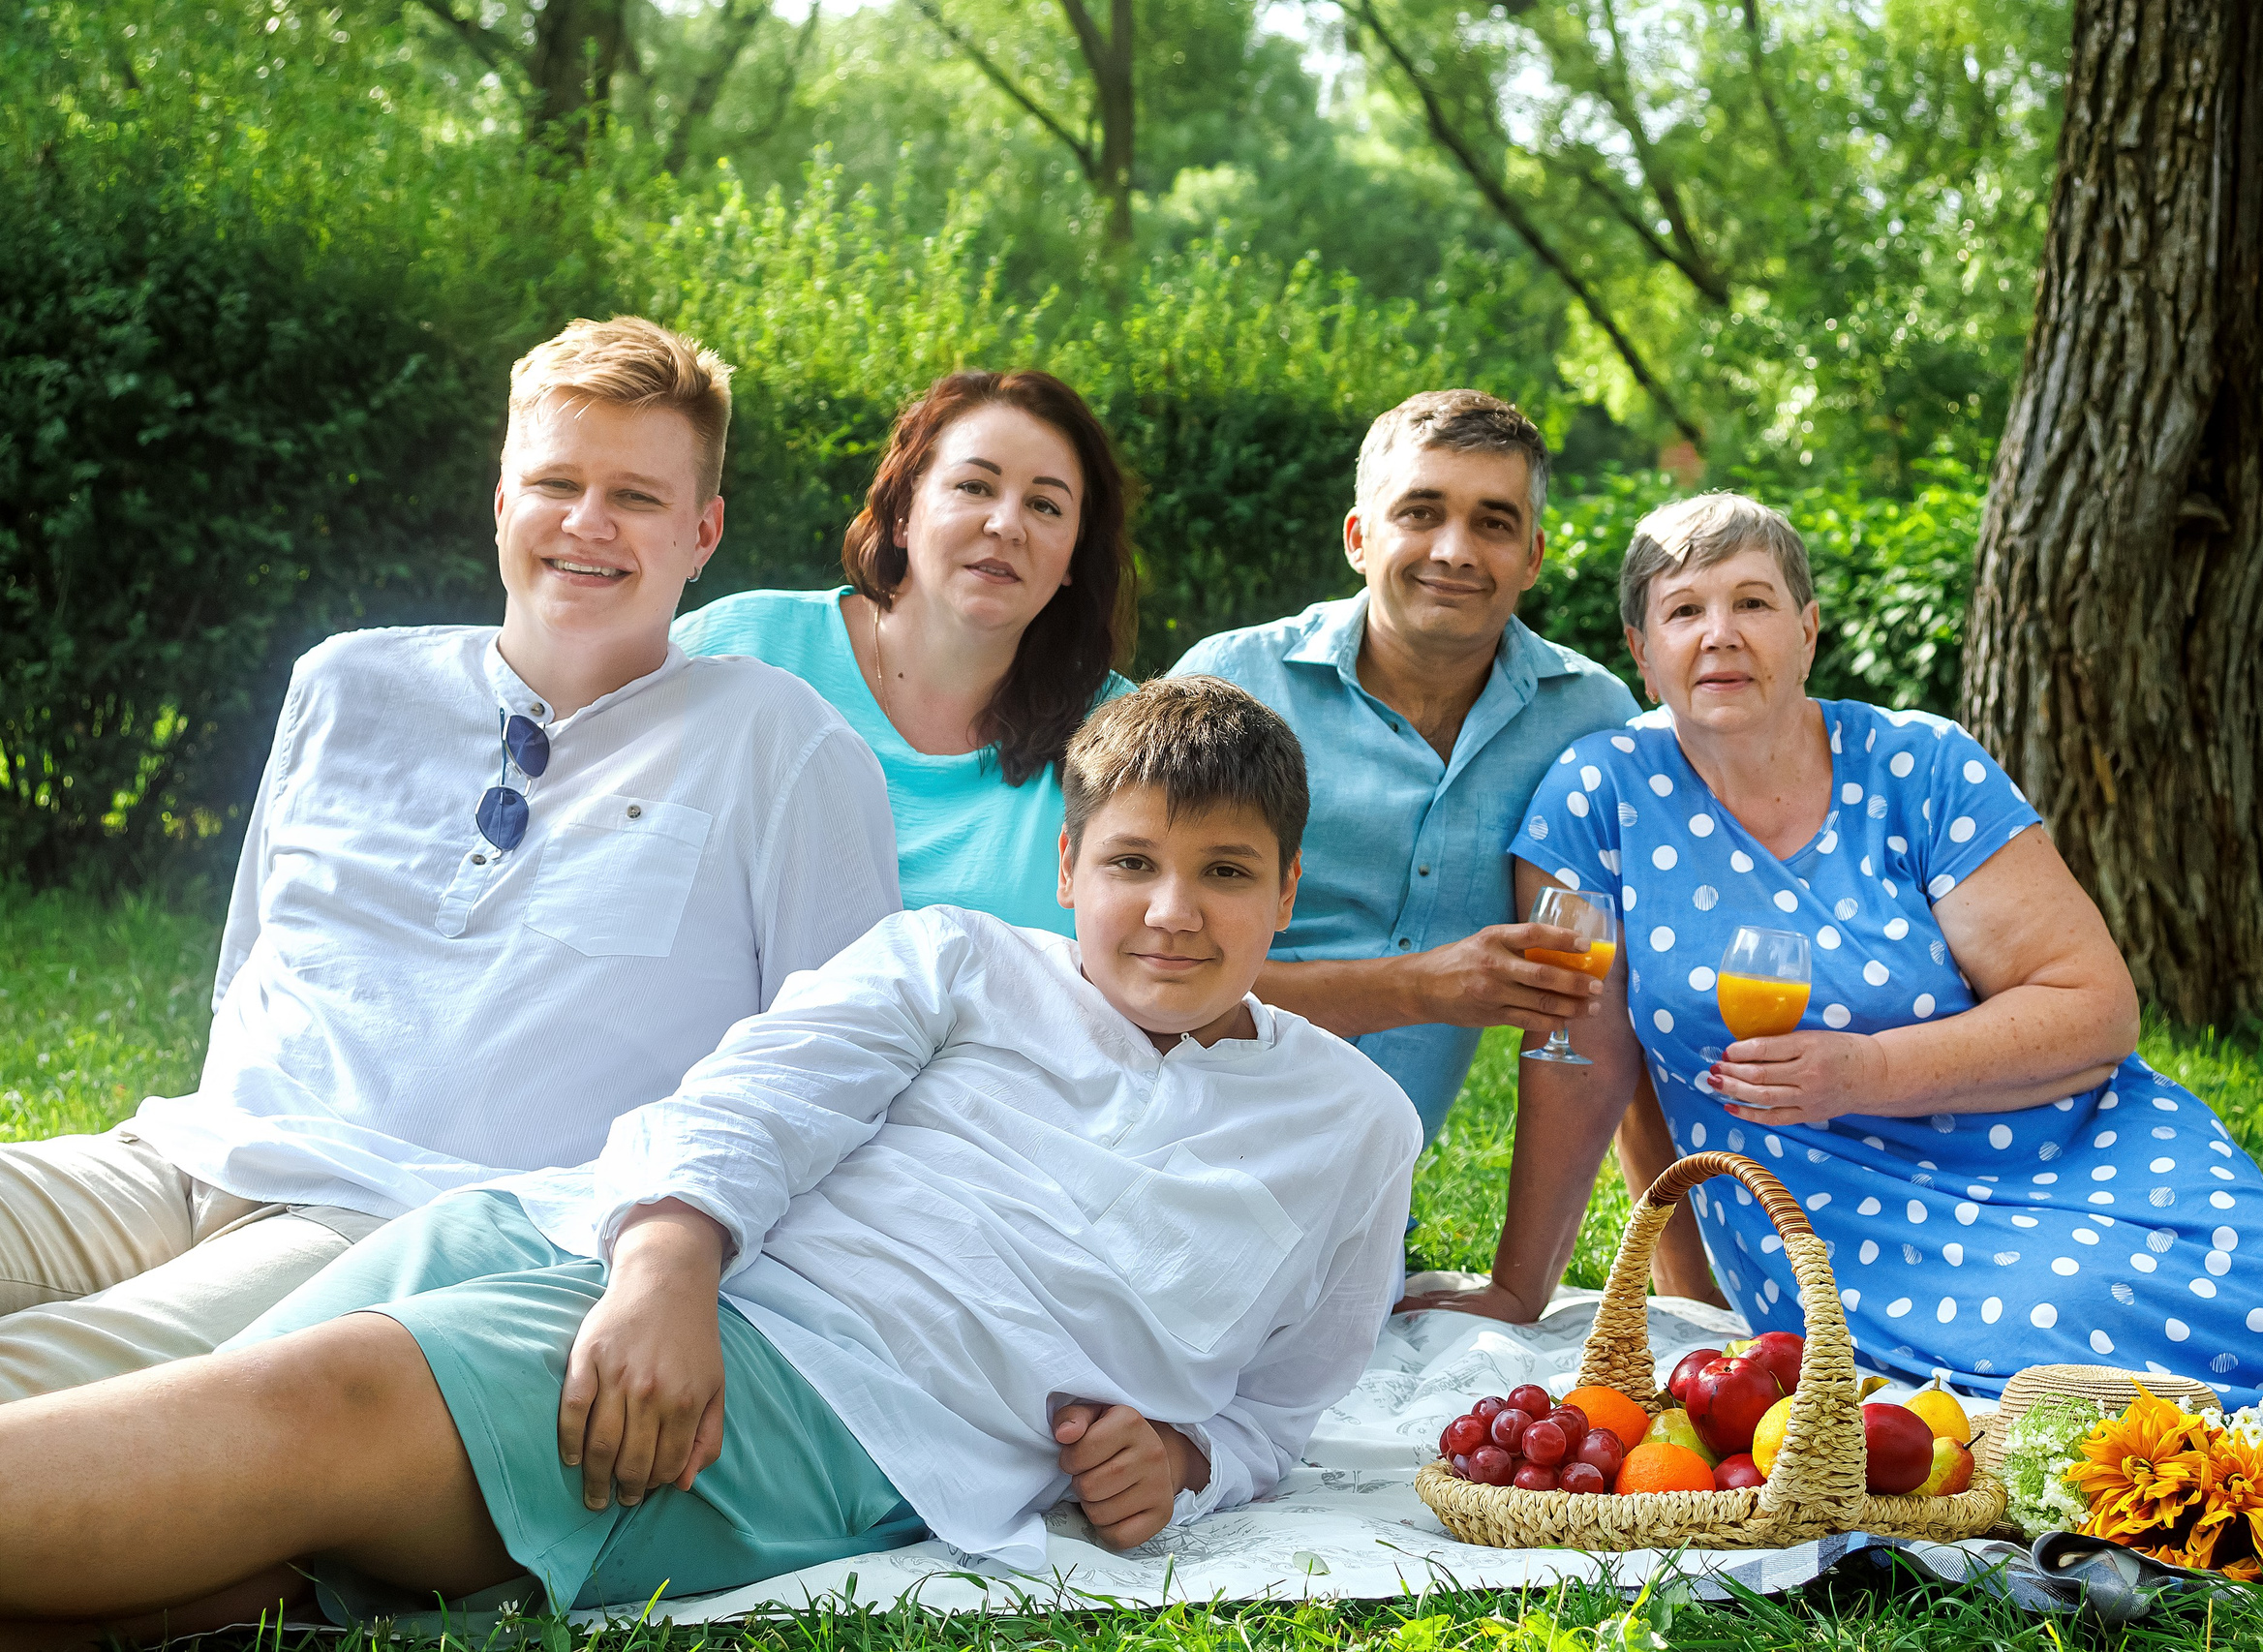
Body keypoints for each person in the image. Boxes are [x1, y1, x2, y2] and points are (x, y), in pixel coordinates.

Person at [0, 677, 1422, 1635]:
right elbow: (762, 1088)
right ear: (1068, 870)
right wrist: (667, 1258)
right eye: (1132, 862)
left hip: (832, 1389)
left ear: (1288, 889)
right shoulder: (963, 957)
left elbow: (1281, 1406)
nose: (1172, 910)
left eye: (1226, 871)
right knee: (234, 1521)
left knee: (315, 1417)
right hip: (610, 1237)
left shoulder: (1356, 1127)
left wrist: (1185, 1454)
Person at [0, 317, 899, 1402]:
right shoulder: (345, 685)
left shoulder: (780, 744)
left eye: (637, 496)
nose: (586, 521)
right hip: (181, 1156)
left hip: (401, 1220)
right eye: (554, 480)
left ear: (703, 531)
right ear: (500, 500)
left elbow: (843, 1061)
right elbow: (248, 967)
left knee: (36, 1385)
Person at [1436, 491, 2263, 1401]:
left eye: (1751, 602)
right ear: (1640, 649)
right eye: (1683, 610)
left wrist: (1863, 1068)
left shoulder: (1918, 764)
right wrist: (1539, 1283)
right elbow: (1588, 1060)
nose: (1719, 634)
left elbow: (2093, 1005)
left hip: (2070, 1141)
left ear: (1806, 629)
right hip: (1825, 1214)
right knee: (2051, 1324)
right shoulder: (1596, 797)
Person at [1169, 389, 1639, 1144]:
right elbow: (1143, 964)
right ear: (1359, 538)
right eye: (1421, 512)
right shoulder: (1231, 683)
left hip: (1369, 1196)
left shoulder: (1592, 719)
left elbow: (1613, 1014)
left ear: (1533, 558)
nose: (1454, 550)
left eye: (1493, 522)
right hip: (1171, 1126)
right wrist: (1420, 988)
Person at [672, 371, 1135, 934]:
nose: (1007, 524)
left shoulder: (1118, 736)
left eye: (1045, 506)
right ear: (902, 515)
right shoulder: (743, 648)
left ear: (1073, 558)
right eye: (974, 487)